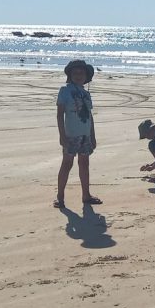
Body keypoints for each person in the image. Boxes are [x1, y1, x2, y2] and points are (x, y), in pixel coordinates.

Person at [55, 60, 101, 208]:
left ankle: (86, 195)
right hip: (71, 135)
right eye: (75, 73)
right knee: (67, 164)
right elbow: (60, 114)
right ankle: (60, 196)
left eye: (81, 73)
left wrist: (93, 136)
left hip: (85, 135)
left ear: (86, 76)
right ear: (70, 75)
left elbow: (90, 116)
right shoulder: (65, 90)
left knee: (84, 163)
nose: (78, 76)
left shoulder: (86, 93)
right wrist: (62, 136)